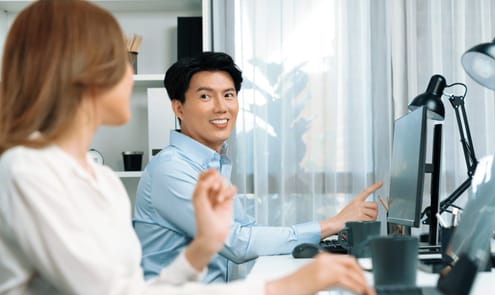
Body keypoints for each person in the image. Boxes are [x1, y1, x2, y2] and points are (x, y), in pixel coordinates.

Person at [0, 1, 375, 295]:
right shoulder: (29, 171)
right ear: (78, 76)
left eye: (228, 95)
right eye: (118, 64)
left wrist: (202, 248)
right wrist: (274, 290)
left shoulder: (98, 179)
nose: (130, 77)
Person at [133, 52, 383, 283]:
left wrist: (328, 230)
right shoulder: (170, 170)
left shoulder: (213, 163)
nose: (222, 107)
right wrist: (333, 224)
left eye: (229, 95)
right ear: (179, 108)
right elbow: (235, 243)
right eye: (205, 96)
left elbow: (246, 231)